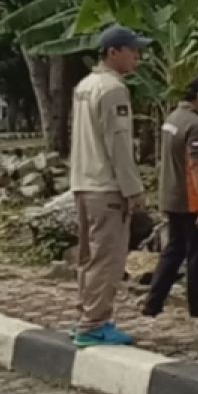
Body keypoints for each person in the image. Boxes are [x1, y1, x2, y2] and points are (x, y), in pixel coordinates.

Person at [68, 25, 150, 348]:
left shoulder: (85, 86)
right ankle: (94, 324)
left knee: (88, 256)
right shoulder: (113, 89)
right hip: (106, 186)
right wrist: (134, 190)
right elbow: (118, 146)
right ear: (113, 52)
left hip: (83, 184)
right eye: (132, 51)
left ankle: (86, 315)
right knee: (108, 257)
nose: (137, 58)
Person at [141, 72, 198, 320]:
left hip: (171, 197)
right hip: (192, 200)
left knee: (174, 250)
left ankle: (153, 303)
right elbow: (196, 165)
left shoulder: (173, 118)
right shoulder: (197, 125)